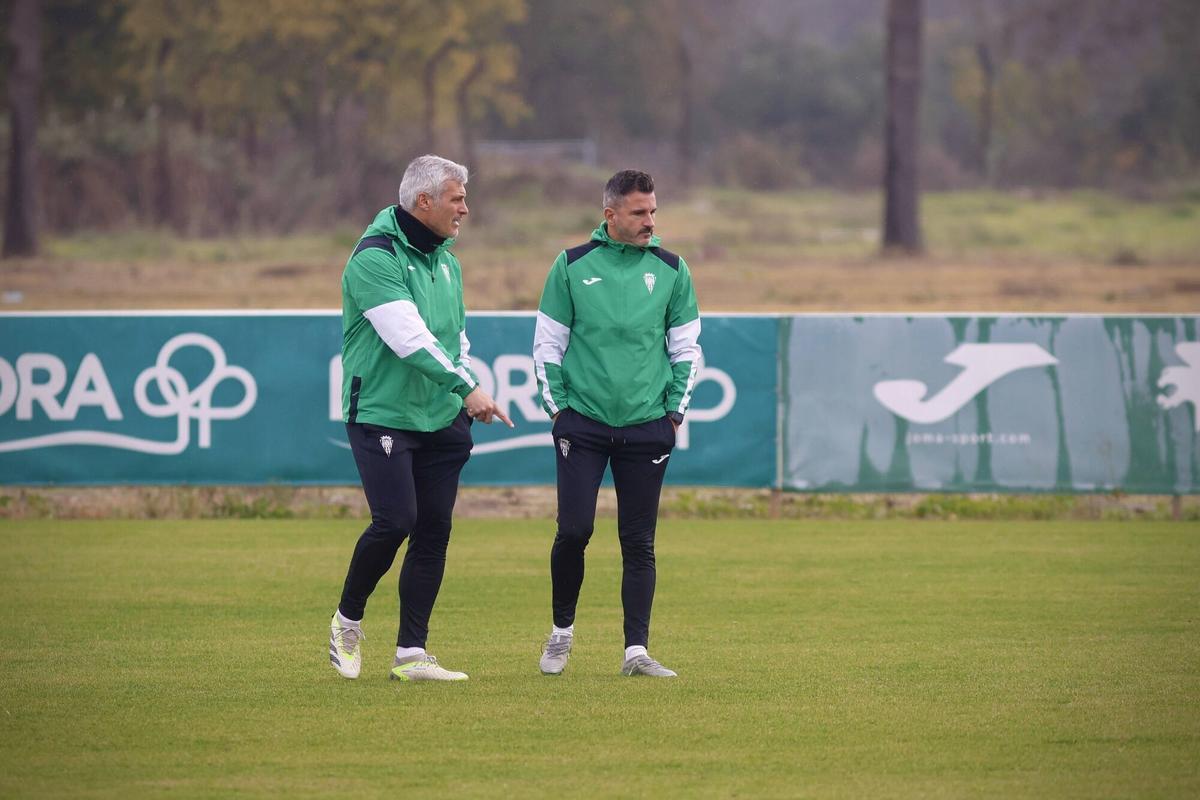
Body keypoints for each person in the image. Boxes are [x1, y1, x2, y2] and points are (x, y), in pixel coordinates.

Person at [328, 154, 512, 682]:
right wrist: (467, 387)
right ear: (423, 201)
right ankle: (347, 620)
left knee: (433, 530)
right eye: (457, 199)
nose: (465, 210)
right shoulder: (374, 257)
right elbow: (408, 338)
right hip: (383, 412)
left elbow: (455, 338)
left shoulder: (448, 260)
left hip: (440, 417)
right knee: (396, 522)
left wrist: (464, 380)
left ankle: (411, 654)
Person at [532, 169, 702, 678]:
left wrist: (673, 413)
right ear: (610, 215)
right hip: (581, 424)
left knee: (639, 540)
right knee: (575, 529)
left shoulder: (673, 270)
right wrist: (559, 412)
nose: (650, 221)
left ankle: (637, 652)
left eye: (653, 211)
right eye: (639, 212)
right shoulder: (570, 266)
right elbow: (548, 347)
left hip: (648, 425)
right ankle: (561, 633)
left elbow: (686, 350)